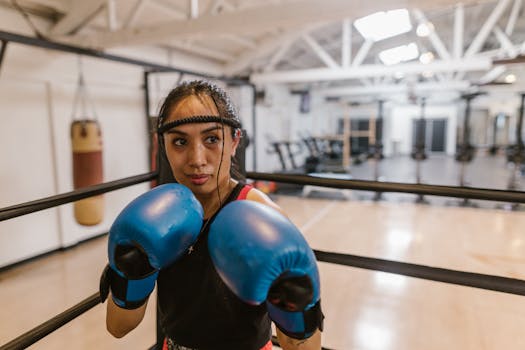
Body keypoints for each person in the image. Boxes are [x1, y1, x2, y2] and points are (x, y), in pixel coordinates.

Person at [100, 80, 323, 350]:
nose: (196, 159)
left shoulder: (262, 216)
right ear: (164, 146)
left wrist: (294, 302)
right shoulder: (153, 218)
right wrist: (131, 274)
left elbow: (305, 348)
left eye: (212, 139)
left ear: (234, 142)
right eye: (180, 141)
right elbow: (117, 327)